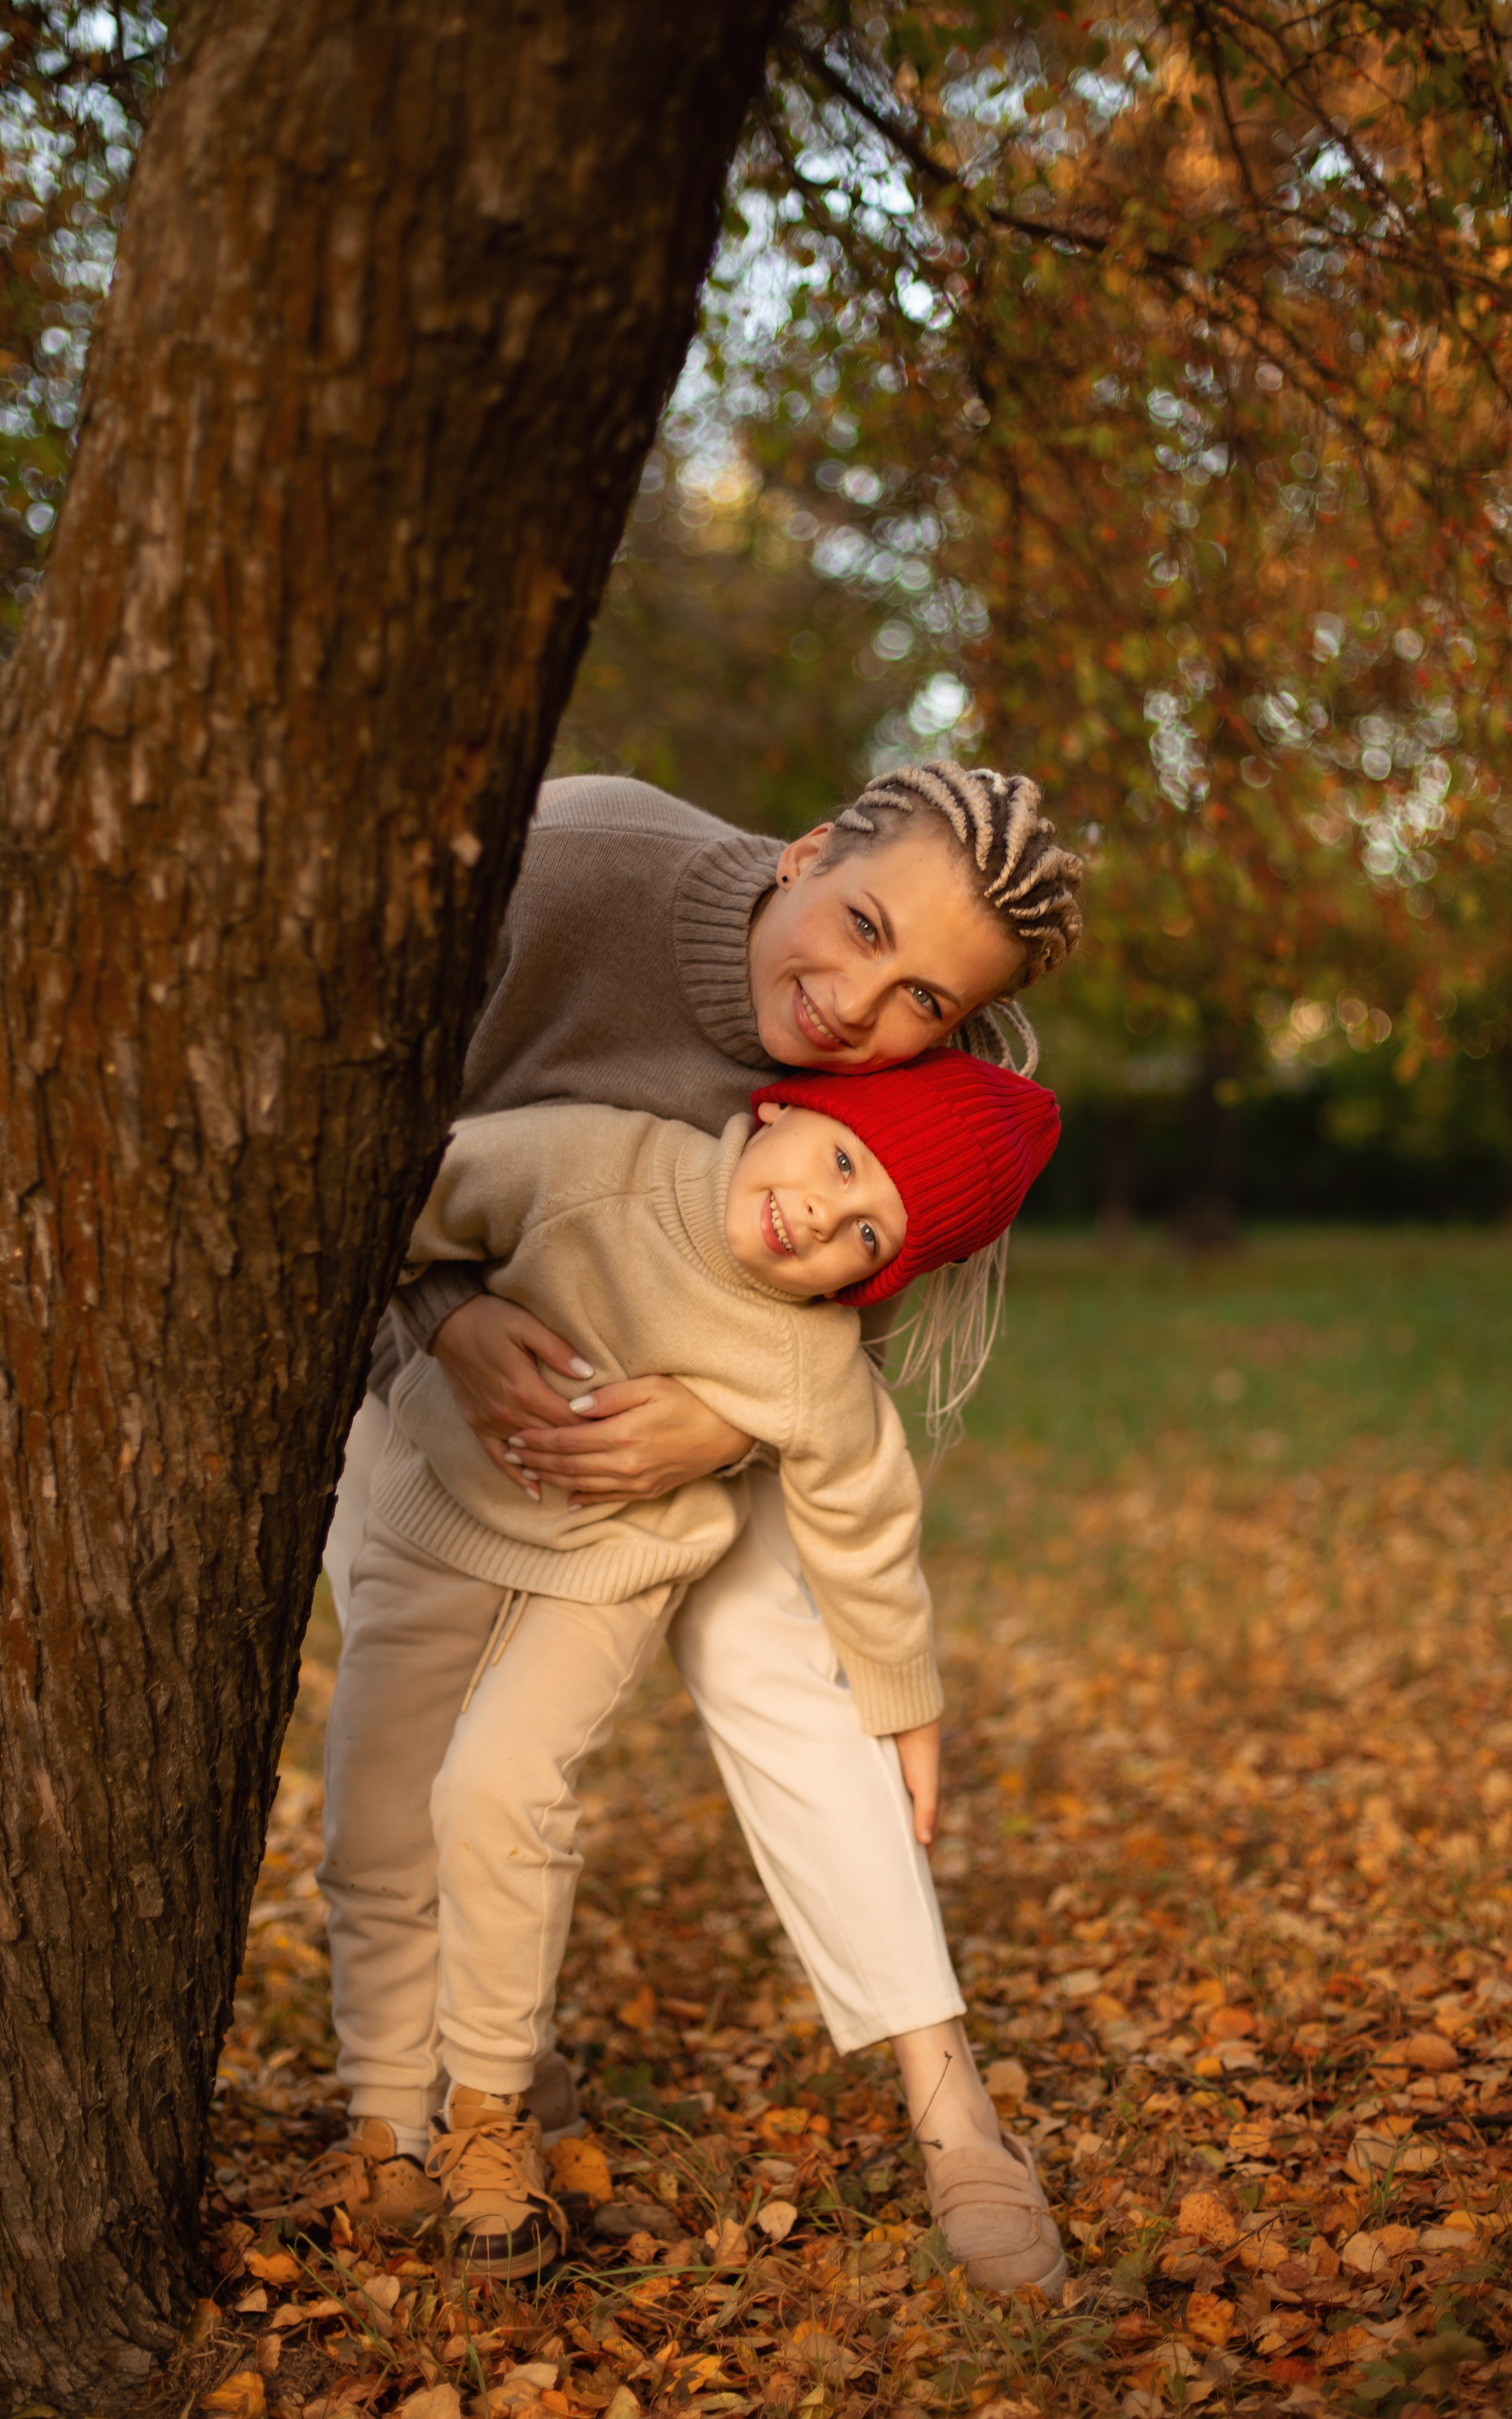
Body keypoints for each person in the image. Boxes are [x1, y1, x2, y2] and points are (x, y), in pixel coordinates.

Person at [316, 758, 1084, 2281]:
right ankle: (435, 2095)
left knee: (767, 1644)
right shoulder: (567, 870)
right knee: (395, 1735)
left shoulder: (895, 1057)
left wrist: (729, 1422)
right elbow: (359, 1151)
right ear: (801, 853)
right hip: (421, 1327)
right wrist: (443, 1325)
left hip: (689, 1417)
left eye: (923, 997)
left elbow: (846, 1277)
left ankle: (952, 2109)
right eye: (856, 924)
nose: (860, 1007)